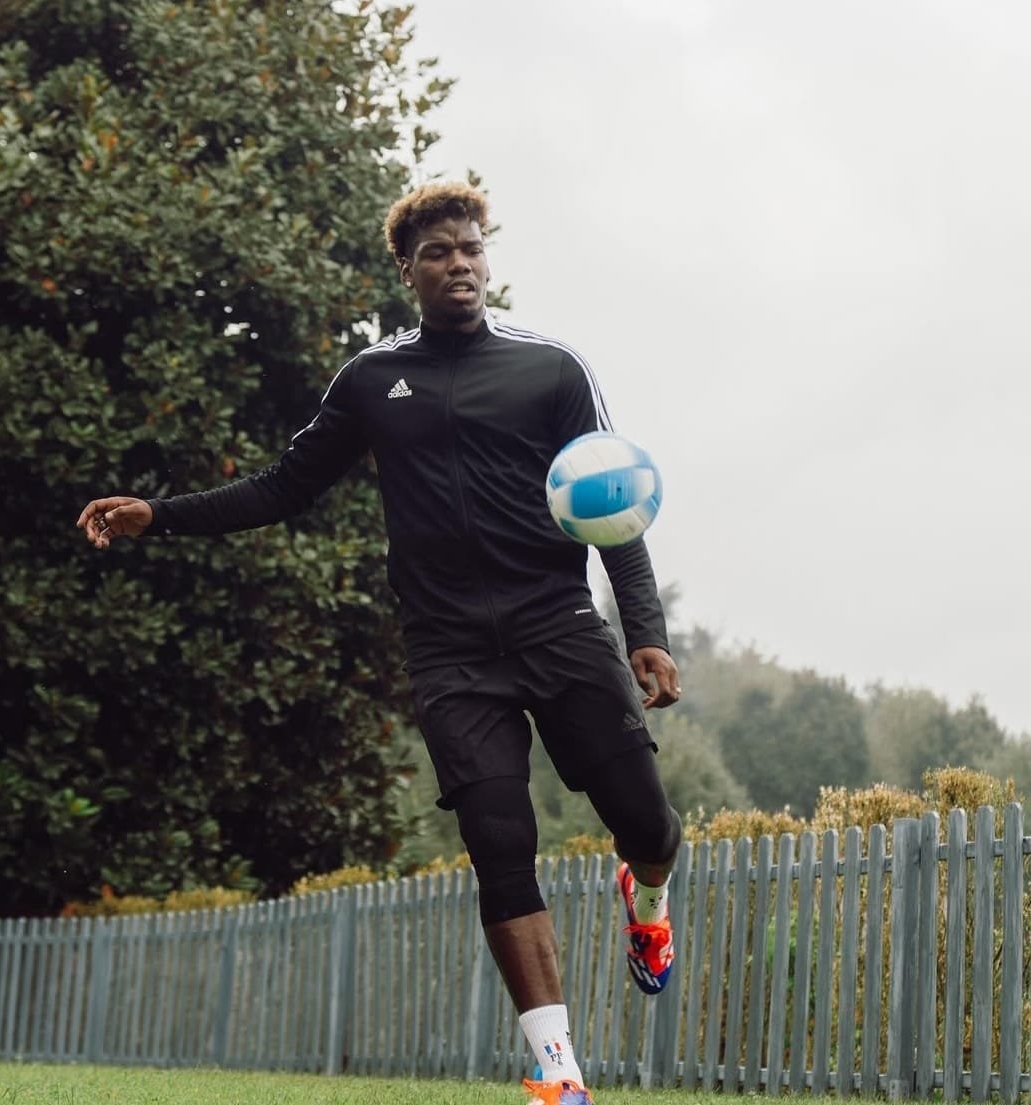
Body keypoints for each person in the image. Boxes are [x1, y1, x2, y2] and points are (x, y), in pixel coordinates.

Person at [78, 182, 682, 1105]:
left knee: (646, 820)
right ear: (407, 270)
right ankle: (557, 1070)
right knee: (496, 835)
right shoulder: (370, 382)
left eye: (472, 249)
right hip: (447, 649)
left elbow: (614, 503)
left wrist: (644, 632)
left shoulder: (552, 368)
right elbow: (282, 487)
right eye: (439, 253)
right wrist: (156, 514)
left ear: (488, 259)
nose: (461, 265)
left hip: (556, 623)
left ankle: (646, 901)